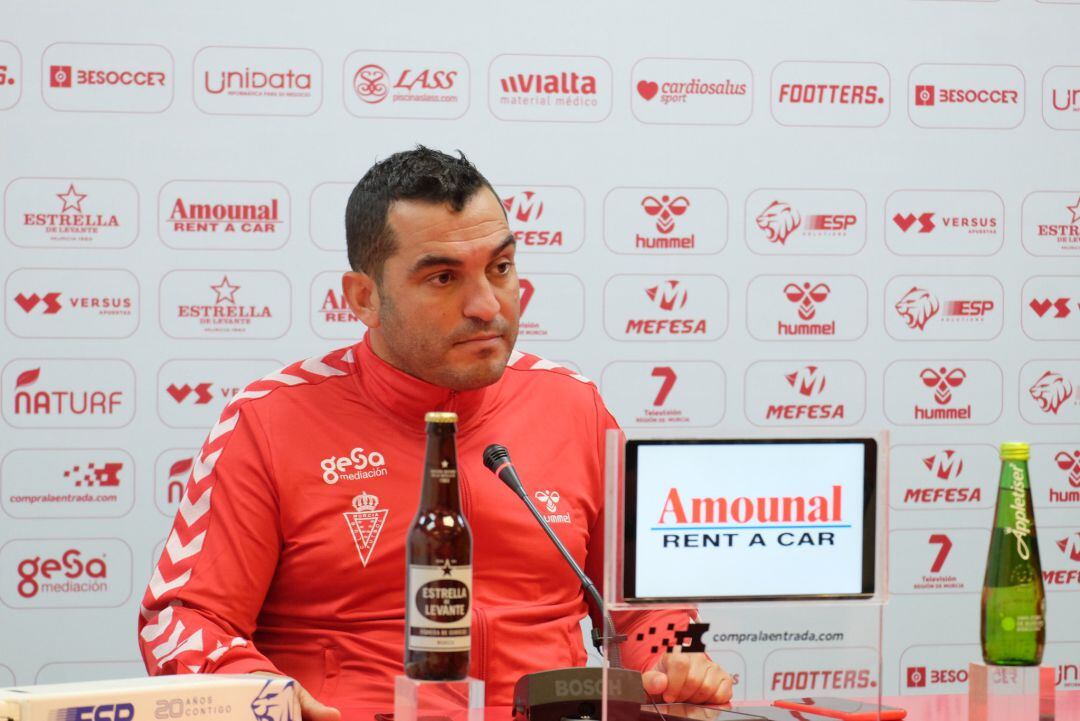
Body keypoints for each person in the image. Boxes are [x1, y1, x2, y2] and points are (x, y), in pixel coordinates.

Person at [138, 147, 733, 718]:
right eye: (444, 279)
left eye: (500, 268)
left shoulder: (574, 404)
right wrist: (260, 693)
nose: (487, 305)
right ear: (365, 298)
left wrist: (674, 655)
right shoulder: (269, 419)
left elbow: (641, 611)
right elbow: (184, 618)